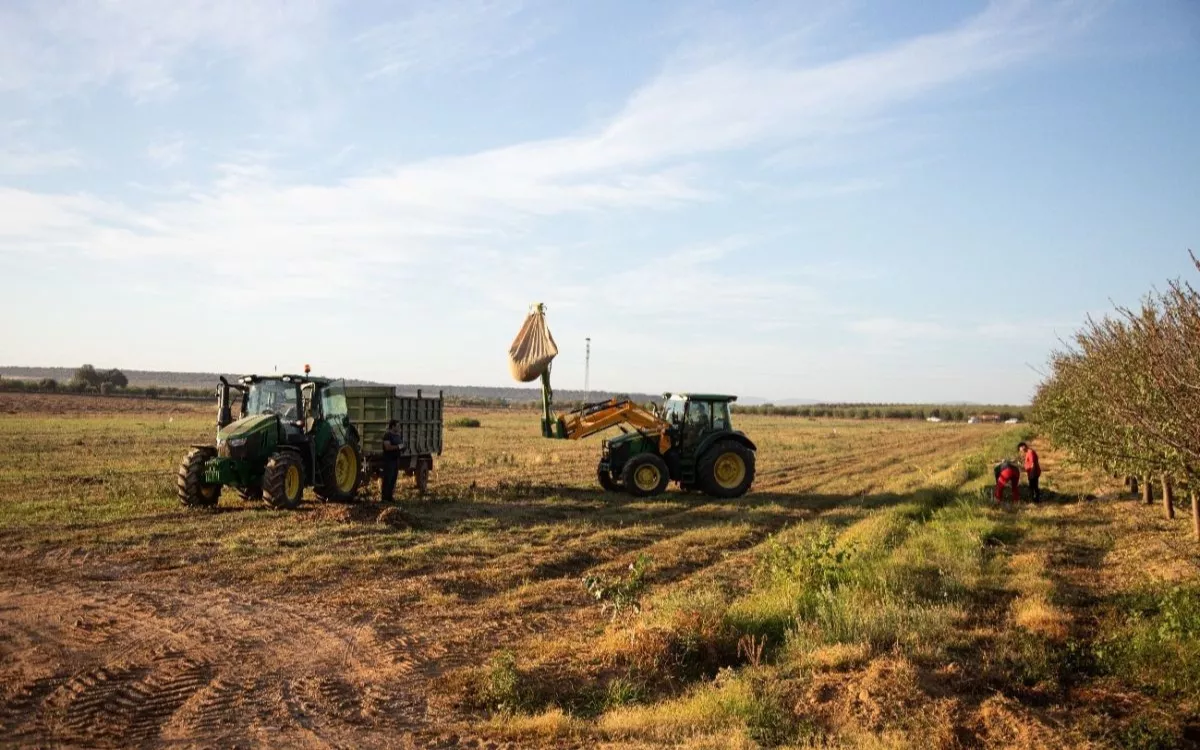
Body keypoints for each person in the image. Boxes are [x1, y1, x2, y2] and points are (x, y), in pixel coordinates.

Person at [381, 419, 406, 502]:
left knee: (393, 479)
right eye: (397, 426)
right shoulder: (387, 435)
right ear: (393, 426)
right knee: (388, 478)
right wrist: (398, 447)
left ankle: (390, 497)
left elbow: (401, 446)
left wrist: (402, 447)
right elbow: (387, 447)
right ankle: (384, 498)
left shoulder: (397, 436)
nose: (399, 427)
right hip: (389, 460)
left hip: (396, 460)